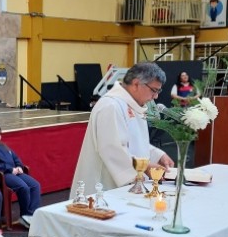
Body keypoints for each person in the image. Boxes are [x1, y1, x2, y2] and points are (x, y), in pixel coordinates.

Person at [72, 62, 174, 191]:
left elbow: (135, 143)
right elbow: (112, 149)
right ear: (136, 84)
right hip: (103, 186)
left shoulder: (133, 104)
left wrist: (158, 155)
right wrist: (145, 167)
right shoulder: (111, 106)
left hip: (128, 183)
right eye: (154, 90)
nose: (156, 96)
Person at [0, 122, 41, 228]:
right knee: (23, 187)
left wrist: (19, 167)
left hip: (14, 172)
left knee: (35, 185)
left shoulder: (3, 146)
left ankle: (30, 214)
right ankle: (25, 214)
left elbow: (16, 158)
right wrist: (10, 169)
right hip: (2, 175)